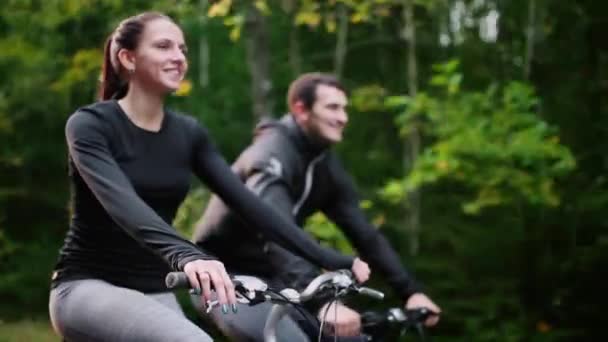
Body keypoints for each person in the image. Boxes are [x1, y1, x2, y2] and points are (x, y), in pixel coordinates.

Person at [48, 13, 369, 342]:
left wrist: (330, 259)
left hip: (156, 289)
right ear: (128, 58)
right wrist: (187, 255)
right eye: (163, 46)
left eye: (183, 49)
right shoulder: (90, 125)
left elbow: (253, 209)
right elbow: (123, 203)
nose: (178, 56)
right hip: (87, 285)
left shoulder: (188, 134)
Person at [192, 73, 441, 341]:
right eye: (332, 107)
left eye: (344, 108)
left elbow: (365, 235)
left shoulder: (323, 165)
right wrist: (323, 303)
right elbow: (277, 235)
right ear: (301, 109)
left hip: (276, 278)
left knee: (352, 338)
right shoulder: (270, 154)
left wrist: (410, 291)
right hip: (223, 276)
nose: (343, 117)